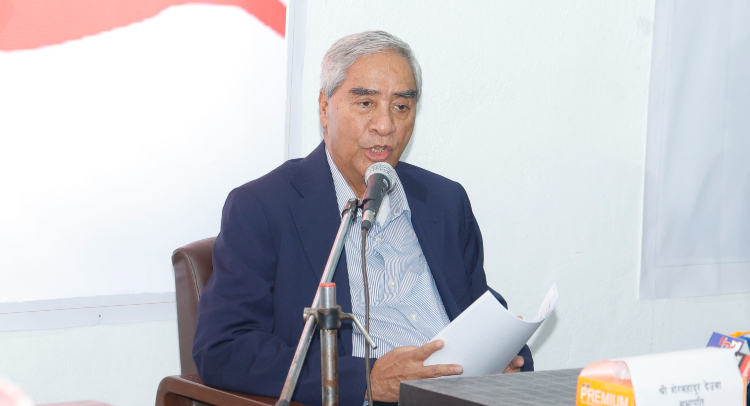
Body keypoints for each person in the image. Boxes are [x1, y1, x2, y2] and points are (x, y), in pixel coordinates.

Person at [192, 31, 533, 406]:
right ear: (325, 108)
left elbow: (482, 315)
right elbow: (224, 348)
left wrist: (505, 358)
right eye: (366, 103)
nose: (385, 125)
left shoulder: (444, 201)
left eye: (401, 106)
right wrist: (366, 380)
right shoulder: (263, 207)